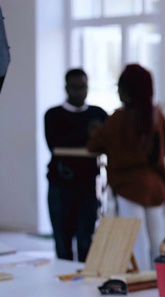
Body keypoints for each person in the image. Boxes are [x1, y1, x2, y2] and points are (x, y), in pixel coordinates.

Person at [87, 64, 165, 271]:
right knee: (158, 239)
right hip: (154, 185)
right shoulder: (157, 116)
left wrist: (95, 131)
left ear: (126, 90)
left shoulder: (119, 118)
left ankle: (141, 280)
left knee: (136, 239)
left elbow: (94, 145)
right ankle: (162, 281)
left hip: (128, 186)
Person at [45, 68, 108, 262]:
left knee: (85, 239)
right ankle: (63, 286)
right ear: (66, 88)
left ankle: (83, 284)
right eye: (75, 87)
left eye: (84, 87)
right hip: (61, 185)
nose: (80, 92)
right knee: (62, 241)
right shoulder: (53, 115)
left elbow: (108, 141)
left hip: (88, 185)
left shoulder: (98, 113)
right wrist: (87, 133)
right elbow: (54, 144)